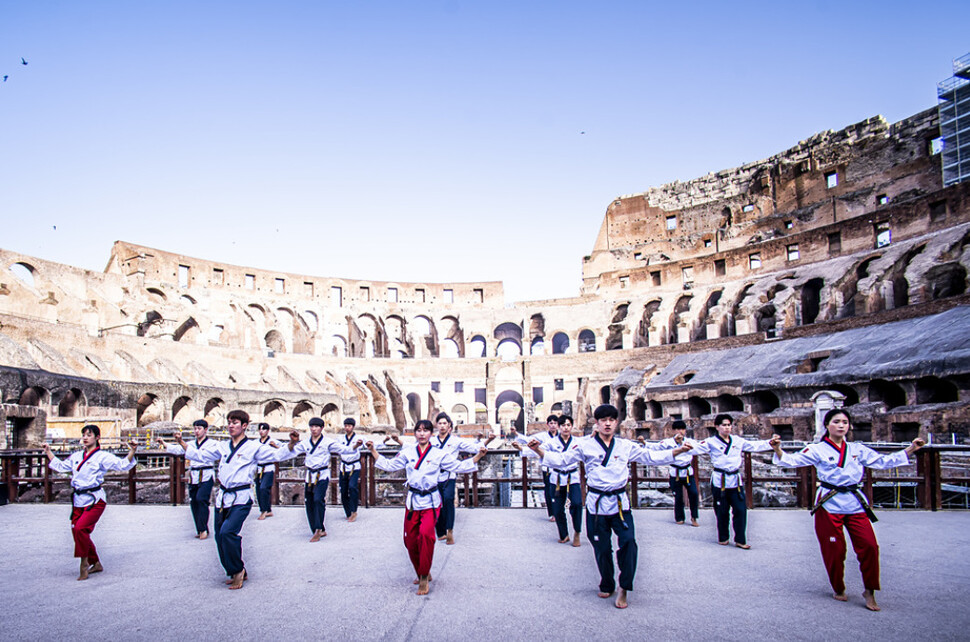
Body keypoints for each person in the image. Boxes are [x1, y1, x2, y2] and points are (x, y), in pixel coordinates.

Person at [529, 404, 692, 609]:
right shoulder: (585, 446)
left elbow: (650, 456)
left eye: (611, 420)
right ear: (596, 424)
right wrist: (538, 450)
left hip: (619, 503)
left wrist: (677, 451)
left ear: (616, 423)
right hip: (596, 504)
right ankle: (607, 582)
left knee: (629, 542)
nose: (607, 423)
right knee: (602, 547)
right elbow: (562, 460)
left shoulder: (625, 446)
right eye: (603, 420)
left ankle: (624, 587)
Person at [769, 408, 925, 611]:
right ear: (827, 425)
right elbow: (793, 460)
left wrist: (911, 449)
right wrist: (778, 450)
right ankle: (838, 586)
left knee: (869, 546)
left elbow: (882, 462)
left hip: (854, 502)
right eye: (836, 421)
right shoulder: (817, 449)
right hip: (829, 503)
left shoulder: (857, 449)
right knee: (834, 549)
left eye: (845, 422)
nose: (841, 425)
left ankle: (870, 590)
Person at [366, 419, 488, 595]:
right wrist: (373, 451)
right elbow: (390, 466)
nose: (422, 433)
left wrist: (478, 457)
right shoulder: (408, 452)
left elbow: (459, 466)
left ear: (431, 434)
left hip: (430, 501)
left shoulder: (439, 454)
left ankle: (423, 576)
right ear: (415, 433)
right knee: (410, 541)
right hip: (413, 501)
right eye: (419, 430)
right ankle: (422, 570)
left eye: (426, 430)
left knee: (426, 536)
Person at [179, 409, 298, 589]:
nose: (231, 426)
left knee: (228, 532)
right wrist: (181, 443)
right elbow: (201, 456)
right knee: (219, 536)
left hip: (241, 497)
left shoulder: (253, 447)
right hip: (223, 497)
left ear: (244, 426)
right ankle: (233, 569)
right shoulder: (222, 446)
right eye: (229, 422)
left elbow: (277, 455)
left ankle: (238, 570)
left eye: (235, 423)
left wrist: (291, 444)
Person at [44, 425, 137, 580]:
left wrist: (132, 451)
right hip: (78, 499)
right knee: (77, 531)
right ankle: (96, 563)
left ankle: (84, 563)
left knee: (81, 529)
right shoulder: (76, 457)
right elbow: (60, 466)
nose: (85, 438)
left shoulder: (102, 456)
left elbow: (121, 464)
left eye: (89, 435)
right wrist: (48, 451)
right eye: (84, 435)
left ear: (97, 437)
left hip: (95, 500)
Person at [692, 414, 776, 549]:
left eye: (729, 425)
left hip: (735, 480)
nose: (727, 428)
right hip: (720, 479)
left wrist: (770, 443)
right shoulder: (710, 442)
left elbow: (754, 446)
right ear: (717, 427)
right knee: (721, 510)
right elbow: (694, 448)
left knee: (741, 510)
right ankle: (723, 537)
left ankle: (740, 540)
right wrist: (679, 445)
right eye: (724, 425)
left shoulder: (737, 441)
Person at [280, 416, 362, 541]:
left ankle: (318, 529)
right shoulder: (306, 443)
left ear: (322, 428)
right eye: (312, 426)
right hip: (309, 476)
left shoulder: (327, 442)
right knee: (309, 503)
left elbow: (346, 450)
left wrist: (356, 446)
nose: (314, 429)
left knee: (318, 500)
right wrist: (292, 442)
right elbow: (291, 452)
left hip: (322, 475)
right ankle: (318, 529)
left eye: (317, 427)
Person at [432, 412, 492, 544]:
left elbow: (473, 447)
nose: (442, 426)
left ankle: (450, 531)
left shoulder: (455, 441)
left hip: (449, 475)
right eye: (440, 423)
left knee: (448, 500)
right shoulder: (431, 441)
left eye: (444, 423)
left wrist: (485, 444)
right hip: (434, 476)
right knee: (436, 502)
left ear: (449, 426)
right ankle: (440, 531)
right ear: (436, 425)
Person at [157, 419, 222, 538]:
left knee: (201, 499)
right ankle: (200, 529)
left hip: (206, 473)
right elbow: (177, 450)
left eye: (199, 428)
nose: (196, 431)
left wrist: (181, 442)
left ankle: (203, 529)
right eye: (195, 428)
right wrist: (164, 442)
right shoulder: (191, 443)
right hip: (194, 475)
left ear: (205, 430)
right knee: (194, 502)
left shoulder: (212, 444)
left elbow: (200, 455)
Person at [650, 420, 701, 527]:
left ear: (685, 430)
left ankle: (694, 517)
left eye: (682, 429)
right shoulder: (668, 442)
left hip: (687, 472)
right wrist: (644, 443)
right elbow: (656, 446)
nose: (680, 432)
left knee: (693, 493)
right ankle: (679, 517)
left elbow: (700, 447)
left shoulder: (690, 442)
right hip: (675, 472)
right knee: (678, 496)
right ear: (673, 431)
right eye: (677, 429)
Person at [510, 414, 560, 520]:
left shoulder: (561, 436)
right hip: (547, 467)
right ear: (547, 424)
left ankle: (559, 511)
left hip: (560, 467)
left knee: (559, 490)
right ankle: (552, 513)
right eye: (551, 423)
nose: (553, 425)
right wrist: (516, 434)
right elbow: (529, 440)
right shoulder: (543, 436)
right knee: (549, 490)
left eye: (555, 423)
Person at [338, 417, 365, 522]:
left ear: (353, 427)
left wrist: (384, 441)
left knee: (352, 487)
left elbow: (371, 444)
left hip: (354, 466)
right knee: (343, 490)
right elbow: (336, 447)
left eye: (349, 426)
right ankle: (348, 512)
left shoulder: (359, 438)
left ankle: (354, 511)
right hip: (344, 466)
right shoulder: (340, 439)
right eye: (345, 426)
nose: (347, 428)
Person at [255, 423, 279, 520]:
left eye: (263, 429)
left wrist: (276, 447)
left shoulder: (273, 441)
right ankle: (267, 510)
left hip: (268, 468)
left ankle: (264, 511)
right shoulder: (255, 443)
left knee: (264, 488)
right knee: (258, 489)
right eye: (260, 429)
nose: (261, 431)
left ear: (268, 431)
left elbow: (283, 451)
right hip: (259, 468)